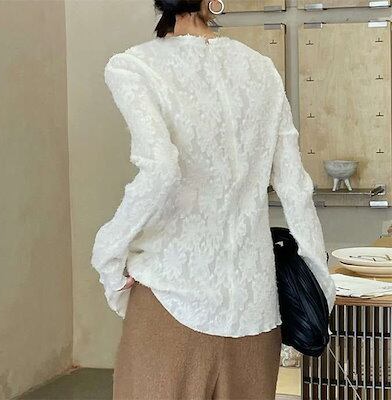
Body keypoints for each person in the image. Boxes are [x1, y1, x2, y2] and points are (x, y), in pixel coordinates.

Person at [90, 0, 337, 399]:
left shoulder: (134, 66)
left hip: (171, 302)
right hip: (256, 313)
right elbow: (295, 187)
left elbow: (161, 170)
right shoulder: (261, 70)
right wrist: (319, 285)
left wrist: (108, 254)